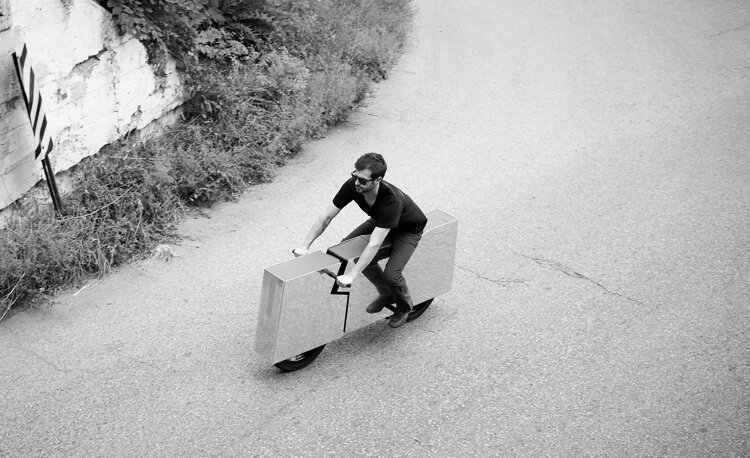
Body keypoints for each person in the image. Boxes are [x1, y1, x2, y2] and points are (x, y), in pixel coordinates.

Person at [293, 153, 427, 328]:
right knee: (345, 247)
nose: (357, 182)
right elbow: (326, 216)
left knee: (391, 275)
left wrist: (351, 275)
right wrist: (305, 245)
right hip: (381, 221)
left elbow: (374, 243)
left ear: (377, 180)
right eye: (355, 176)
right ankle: (386, 293)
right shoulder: (353, 185)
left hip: (407, 230)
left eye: (363, 181)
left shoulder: (391, 201)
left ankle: (404, 307)